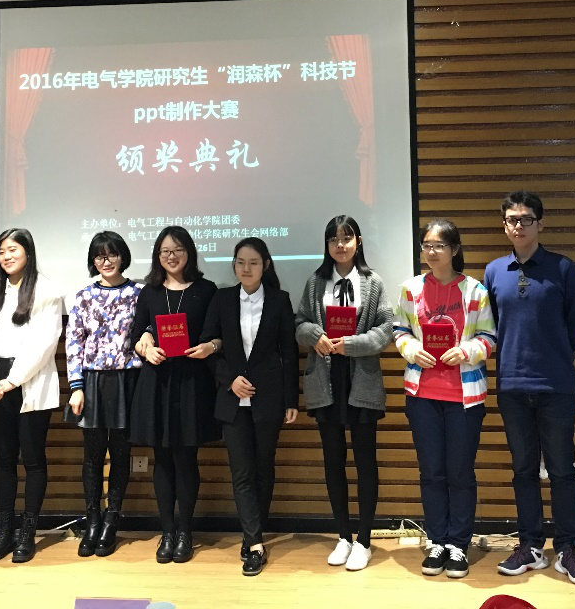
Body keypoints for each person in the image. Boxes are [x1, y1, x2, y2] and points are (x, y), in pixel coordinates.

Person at [485, 191, 575, 586]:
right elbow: (489, 327)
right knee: (523, 470)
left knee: (562, 470)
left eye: (526, 219)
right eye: (512, 220)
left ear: (540, 223)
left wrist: (552, 356)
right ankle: (531, 545)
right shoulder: (494, 271)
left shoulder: (563, 268)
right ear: (504, 226)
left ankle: (567, 548)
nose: (519, 226)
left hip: (556, 386)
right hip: (511, 386)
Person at [393, 218, 496, 580]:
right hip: (422, 395)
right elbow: (400, 330)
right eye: (427, 245)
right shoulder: (410, 289)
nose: (432, 252)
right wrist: (412, 349)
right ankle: (437, 540)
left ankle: (459, 544)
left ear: (455, 249)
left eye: (439, 245)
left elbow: (489, 337)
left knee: (460, 473)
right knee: (432, 472)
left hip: (463, 397)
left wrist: (466, 351)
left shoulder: (475, 290)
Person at [294, 215, 392, 572]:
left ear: (358, 242)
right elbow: (299, 323)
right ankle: (343, 536)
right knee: (333, 462)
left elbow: (386, 329)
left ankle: (364, 540)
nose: (340, 245)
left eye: (346, 238)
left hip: (361, 380)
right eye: (333, 239)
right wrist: (314, 336)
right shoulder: (316, 282)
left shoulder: (373, 282)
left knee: (365, 462)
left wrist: (352, 344)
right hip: (325, 380)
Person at [202, 238, 299, 576]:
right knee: (241, 472)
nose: (246, 268)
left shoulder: (279, 300)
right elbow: (209, 349)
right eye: (241, 262)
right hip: (232, 399)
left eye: (253, 262)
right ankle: (255, 542)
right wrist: (229, 379)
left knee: (263, 469)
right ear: (234, 265)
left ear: (265, 265)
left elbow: (289, 353)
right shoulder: (222, 299)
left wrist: (291, 400)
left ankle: (252, 532)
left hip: (268, 398)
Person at [0, 227, 65, 564]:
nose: (6, 256)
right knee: (4, 460)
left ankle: (27, 533)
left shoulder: (47, 291)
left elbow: (44, 344)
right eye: (1, 251)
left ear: (28, 252)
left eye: (13, 250)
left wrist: (11, 381)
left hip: (29, 381)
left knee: (33, 460)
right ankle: (4, 532)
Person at [129, 226, 220, 564]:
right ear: (158, 255)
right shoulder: (149, 292)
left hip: (192, 382)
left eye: (178, 250)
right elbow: (137, 334)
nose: (172, 256)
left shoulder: (206, 290)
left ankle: (185, 532)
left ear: (189, 253)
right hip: (158, 381)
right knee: (162, 458)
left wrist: (210, 347)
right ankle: (167, 532)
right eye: (165, 251)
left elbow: (218, 334)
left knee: (186, 458)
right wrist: (145, 345)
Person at [65, 231, 142, 558]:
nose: (106, 261)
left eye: (112, 254)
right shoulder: (84, 295)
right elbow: (74, 342)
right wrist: (76, 386)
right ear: (92, 261)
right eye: (99, 256)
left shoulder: (138, 293)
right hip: (92, 382)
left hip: (128, 380)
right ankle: (93, 520)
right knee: (93, 456)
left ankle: (112, 519)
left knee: (121, 454)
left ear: (123, 257)